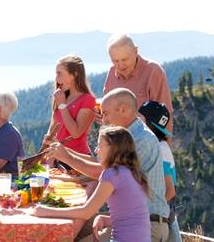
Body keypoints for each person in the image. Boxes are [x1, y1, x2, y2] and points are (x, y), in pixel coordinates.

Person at [46, 88, 170, 241]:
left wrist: (66, 157)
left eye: (105, 113)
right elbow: (103, 164)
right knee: (78, 230)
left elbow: (103, 171)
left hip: (149, 226)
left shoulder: (140, 139)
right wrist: (65, 152)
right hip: (134, 221)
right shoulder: (128, 136)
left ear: (122, 110)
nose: (103, 120)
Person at [33, 126, 151, 242]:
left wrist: (46, 211)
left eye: (99, 146)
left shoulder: (112, 173)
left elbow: (86, 212)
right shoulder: (132, 172)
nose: (96, 150)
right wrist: (106, 219)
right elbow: (132, 217)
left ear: (113, 148)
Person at [102, 34, 173, 135]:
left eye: (124, 59)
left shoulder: (153, 71)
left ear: (135, 51)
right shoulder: (111, 72)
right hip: (119, 144)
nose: (120, 65)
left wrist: (164, 147)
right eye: (115, 61)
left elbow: (166, 115)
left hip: (146, 144)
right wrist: (103, 114)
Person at [139, 100, 182, 242]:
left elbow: (170, 191)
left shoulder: (159, 148)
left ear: (148, 123)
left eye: (139, 117)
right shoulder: (161, 145)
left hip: (156, 220)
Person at [42, 55, 96, 157]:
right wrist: (49, 138)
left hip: (78, 158)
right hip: (58, 157)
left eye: (59, 73)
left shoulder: (88, 100)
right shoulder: (62, 96)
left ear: (74, 75)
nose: (56, 78)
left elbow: (76, 133)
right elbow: (53, 127)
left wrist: (62, 105)